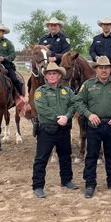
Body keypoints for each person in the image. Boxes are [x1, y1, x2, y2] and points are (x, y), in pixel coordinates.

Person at [75, 56, 111, 198]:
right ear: (96, 69)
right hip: (93, 125)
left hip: (110, 124)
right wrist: (89, 115)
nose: (104, 70)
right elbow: (78, 102)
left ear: (110, 69)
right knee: (91, 155)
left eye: (107, 67)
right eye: (101, 67)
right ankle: (90, 184)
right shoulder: (88, 85)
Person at [32, 62, 79, 198]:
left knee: (65, 156)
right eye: (49, 74)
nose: (52, 76)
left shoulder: (67, 91)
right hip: (47, 130)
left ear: (59, 76)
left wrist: (67, 116)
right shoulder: (40, 92)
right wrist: (57, 117)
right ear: (46, 77)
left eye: (54, 73)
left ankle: (66, 180)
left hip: (63, 129)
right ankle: (38, 186)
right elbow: (41, 108)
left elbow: (74, 104)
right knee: (41, 158)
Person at [0, 23, 26, 105]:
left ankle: (20, 96)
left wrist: (4, 58)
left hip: (6, 65)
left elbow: (13, 55)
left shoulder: (8, 43)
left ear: (3, 32)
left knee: (14, 79)